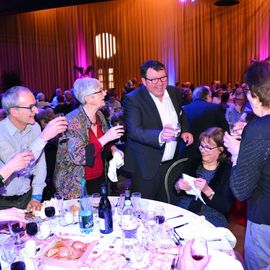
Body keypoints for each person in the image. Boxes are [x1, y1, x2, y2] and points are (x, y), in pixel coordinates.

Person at [123, 60, 193, 202]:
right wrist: (160, 136)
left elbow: (181, 114)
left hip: (171, 165)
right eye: (154, 79)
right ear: (143, 81)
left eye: (163, 78)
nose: (160, 83)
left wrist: (185, 130)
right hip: (146, 167)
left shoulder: (174, 92)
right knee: (144, 209)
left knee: (167, 206)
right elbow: (134, 131)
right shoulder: (133, 99)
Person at [224, 60, 270, 270]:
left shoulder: (259, 129)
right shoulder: (258, 128)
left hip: (265, 219)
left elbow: (241, 190)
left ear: (255, 95)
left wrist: (236, 153)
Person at [53, 78, 124, 199]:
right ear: (88, 98)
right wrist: (106, 138)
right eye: (100, 91)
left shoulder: (99, 115)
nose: (105, 93)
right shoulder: (72, 121)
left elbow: (105, 142)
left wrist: (114, 149)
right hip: (76, 184)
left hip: (99, 177)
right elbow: (79, 157)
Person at [0, 86, 67, 212]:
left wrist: (36, 196)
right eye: (31, 107)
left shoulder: (34, 127)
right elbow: (18, 164)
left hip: (27, 197)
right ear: (14, 111)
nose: (36, 110)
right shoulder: (1, 133)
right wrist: (44, 137)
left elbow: (40, 165)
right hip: (3, 204)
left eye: (35, 105)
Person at [175, 127, 234, 227]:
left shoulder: (227, 172)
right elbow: (176, 190)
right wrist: (178, 186)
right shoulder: (193, 162)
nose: (202, 150)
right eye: (201, 146)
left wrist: (207, 190)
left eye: (208, 147)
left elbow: (225, 207)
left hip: (212, 214)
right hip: (185, 208)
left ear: (220, 150)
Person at [183, 85, 229, 159]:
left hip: (189, 152)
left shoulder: (184, 109)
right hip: (210, 151)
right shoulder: (216, 108)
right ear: (207, 96)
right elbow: (225, 130)